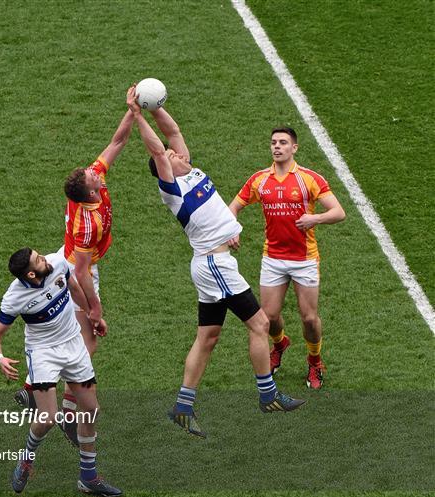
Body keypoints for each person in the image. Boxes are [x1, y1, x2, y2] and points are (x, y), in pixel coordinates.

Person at [126, 88, 305, 438]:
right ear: (167, 167)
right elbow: (159, 149)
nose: (178, 152)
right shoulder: (172, 188)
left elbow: (172, 134)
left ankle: (182, 407)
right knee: (259, 324)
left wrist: (157, 107)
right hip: (215, 267)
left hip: (213, 262)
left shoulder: (190, 171)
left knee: (207, 337)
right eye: (173, 156)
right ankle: (268, 396)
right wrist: (136, 114)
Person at [14, 95, 136, 445]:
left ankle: (33, 390)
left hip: (65, 258)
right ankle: (63, 407)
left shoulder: (91, 183)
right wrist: (96, 307)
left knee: (81, 339)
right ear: (88, 191)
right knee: (87, 340)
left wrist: (131, 111)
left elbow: (118, 141)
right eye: (89, 175)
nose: (93, 171)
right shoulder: (87, 224)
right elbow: (80, 274)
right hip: (74, 268)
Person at [0, 247, 122, 497]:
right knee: (48, 418)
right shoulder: (14, 298)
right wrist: (0, 358)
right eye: (38, 260)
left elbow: (73, 288)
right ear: (30, 274)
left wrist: (93, 316)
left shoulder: (57, 263)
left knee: (91, 410)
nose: (44, 259)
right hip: (43, 353)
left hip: (73, 344)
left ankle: (88, 477)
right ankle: (26, 459)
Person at [229, 127, 346, 389]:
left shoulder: (309, 179)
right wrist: (231, 229)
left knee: (309, 318)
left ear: (294, 148)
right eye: (273, 143)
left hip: (304, 259)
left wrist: (315, 218)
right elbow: (234, 206)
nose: (277, 147)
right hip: (273, 258)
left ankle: (315, 361)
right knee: (268, 317)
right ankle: (280, 343)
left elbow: (339, 212)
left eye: (283, 142)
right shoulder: (260, 180)